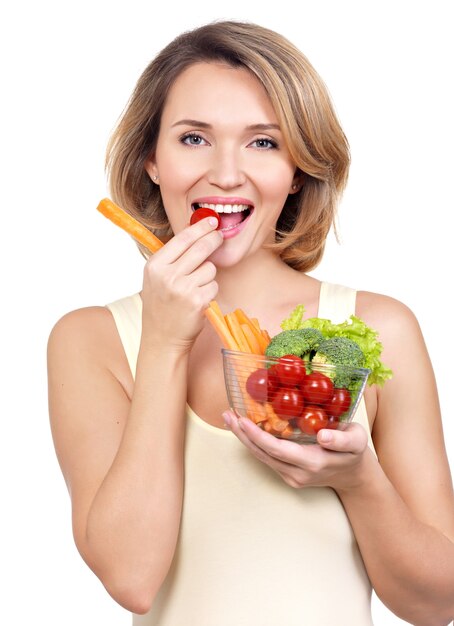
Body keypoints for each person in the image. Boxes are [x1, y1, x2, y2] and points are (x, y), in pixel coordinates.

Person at [47, 20, 454, 626]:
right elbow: (132, 578)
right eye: (193, 139)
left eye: (263, 142)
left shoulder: (377, 327)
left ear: (298, 170)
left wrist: (359, 480)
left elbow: (438, 604)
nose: (227, 173)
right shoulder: (91, 340)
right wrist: (163, 342)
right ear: (150, 160)